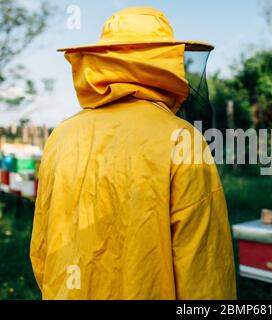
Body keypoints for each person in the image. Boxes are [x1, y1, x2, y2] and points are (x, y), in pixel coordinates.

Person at [30, 6, 236, 300]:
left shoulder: (61, 135)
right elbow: (203, 272)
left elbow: (42, 248)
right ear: (163, 62)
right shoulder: (181, 139)